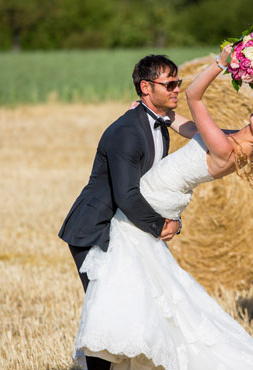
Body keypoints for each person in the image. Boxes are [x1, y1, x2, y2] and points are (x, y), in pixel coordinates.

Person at [73, 45, 253, 369]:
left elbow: (194, 96)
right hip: (151, 208)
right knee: (142, 296)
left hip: (141, 213)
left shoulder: (225, 147)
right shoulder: (225, 139)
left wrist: (222, 62)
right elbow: (184, 125)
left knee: (120, 294)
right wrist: (146, 111)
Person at [59, 54, 197, 370]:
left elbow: (154, 185)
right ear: (146, 87)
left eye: (179, 83)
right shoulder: (127, 132)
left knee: (131, 313)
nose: (177, 89)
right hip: (95, 228)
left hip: (125, 227)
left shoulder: (159, 123)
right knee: (108, 315)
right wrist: (161, 225)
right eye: (170, 84)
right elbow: (127, 195)